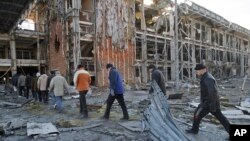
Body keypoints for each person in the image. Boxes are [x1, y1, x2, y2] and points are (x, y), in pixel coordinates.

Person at [186, 63, 230, 134]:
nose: (196, 72)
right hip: (211, 103)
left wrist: (211, 106)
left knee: (197, 114)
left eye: (197, 70)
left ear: (203, 70)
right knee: (221, 118)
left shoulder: (208, 78)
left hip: (208, 104)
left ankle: (194, 130)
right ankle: (194, 130)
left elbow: (212, 93)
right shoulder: (205, 77)